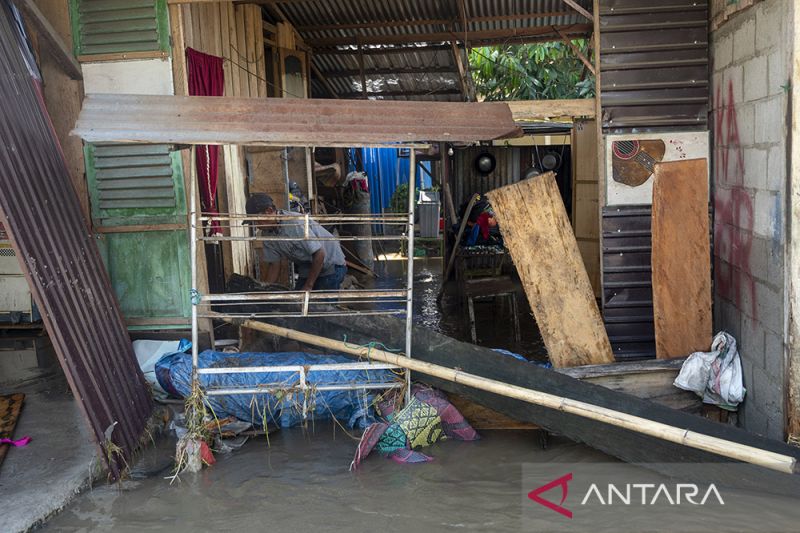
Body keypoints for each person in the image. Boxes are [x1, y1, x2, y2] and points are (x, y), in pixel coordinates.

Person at [245, 193, 347, 291]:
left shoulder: (294, 223)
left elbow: (320, 254)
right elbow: (274, 265)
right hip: (308, 267)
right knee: (298, 303)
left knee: (320, 307)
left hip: (330, 264)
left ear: (269, 210)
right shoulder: (267, 234)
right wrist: (264, 290)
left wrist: (308, 286)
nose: (257, 225)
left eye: (258, 221)